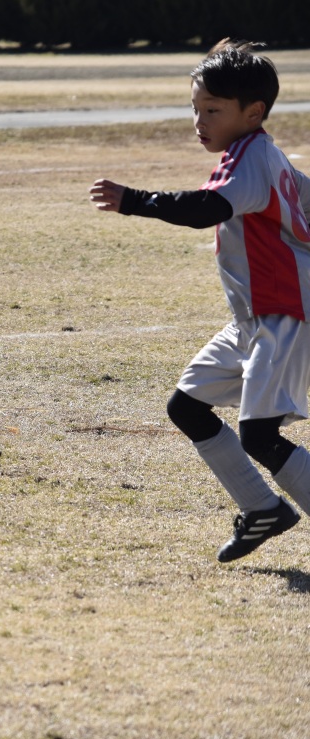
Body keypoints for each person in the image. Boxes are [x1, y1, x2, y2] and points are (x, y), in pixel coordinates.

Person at [89, 39, 310, 563]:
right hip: (254, 319)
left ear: (252, 113)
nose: (199, 121)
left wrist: (134, 201)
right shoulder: (263, 154)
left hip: (283, 314)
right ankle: (263, 509)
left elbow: (206, 208)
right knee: (187, 406)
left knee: (260, 435)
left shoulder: (252, 158)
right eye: (195, 108)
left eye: (213, 110)